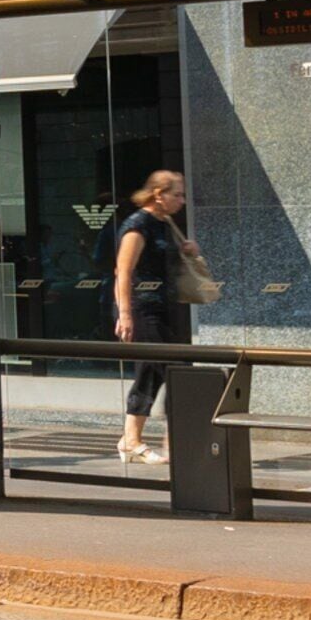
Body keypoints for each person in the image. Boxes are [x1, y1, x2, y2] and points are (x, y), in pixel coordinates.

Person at [111, 169, 205, 462]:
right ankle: (174, 442)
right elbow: (123, 272)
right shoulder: (138, 225)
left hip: (165, 308)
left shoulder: (164, 223)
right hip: (143, 309)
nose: (182, 200)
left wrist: (188, 251)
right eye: (176, 194)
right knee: (175, 372)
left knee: (152, 373)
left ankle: (132, 440)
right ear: (158, 194)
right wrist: (125, 314)